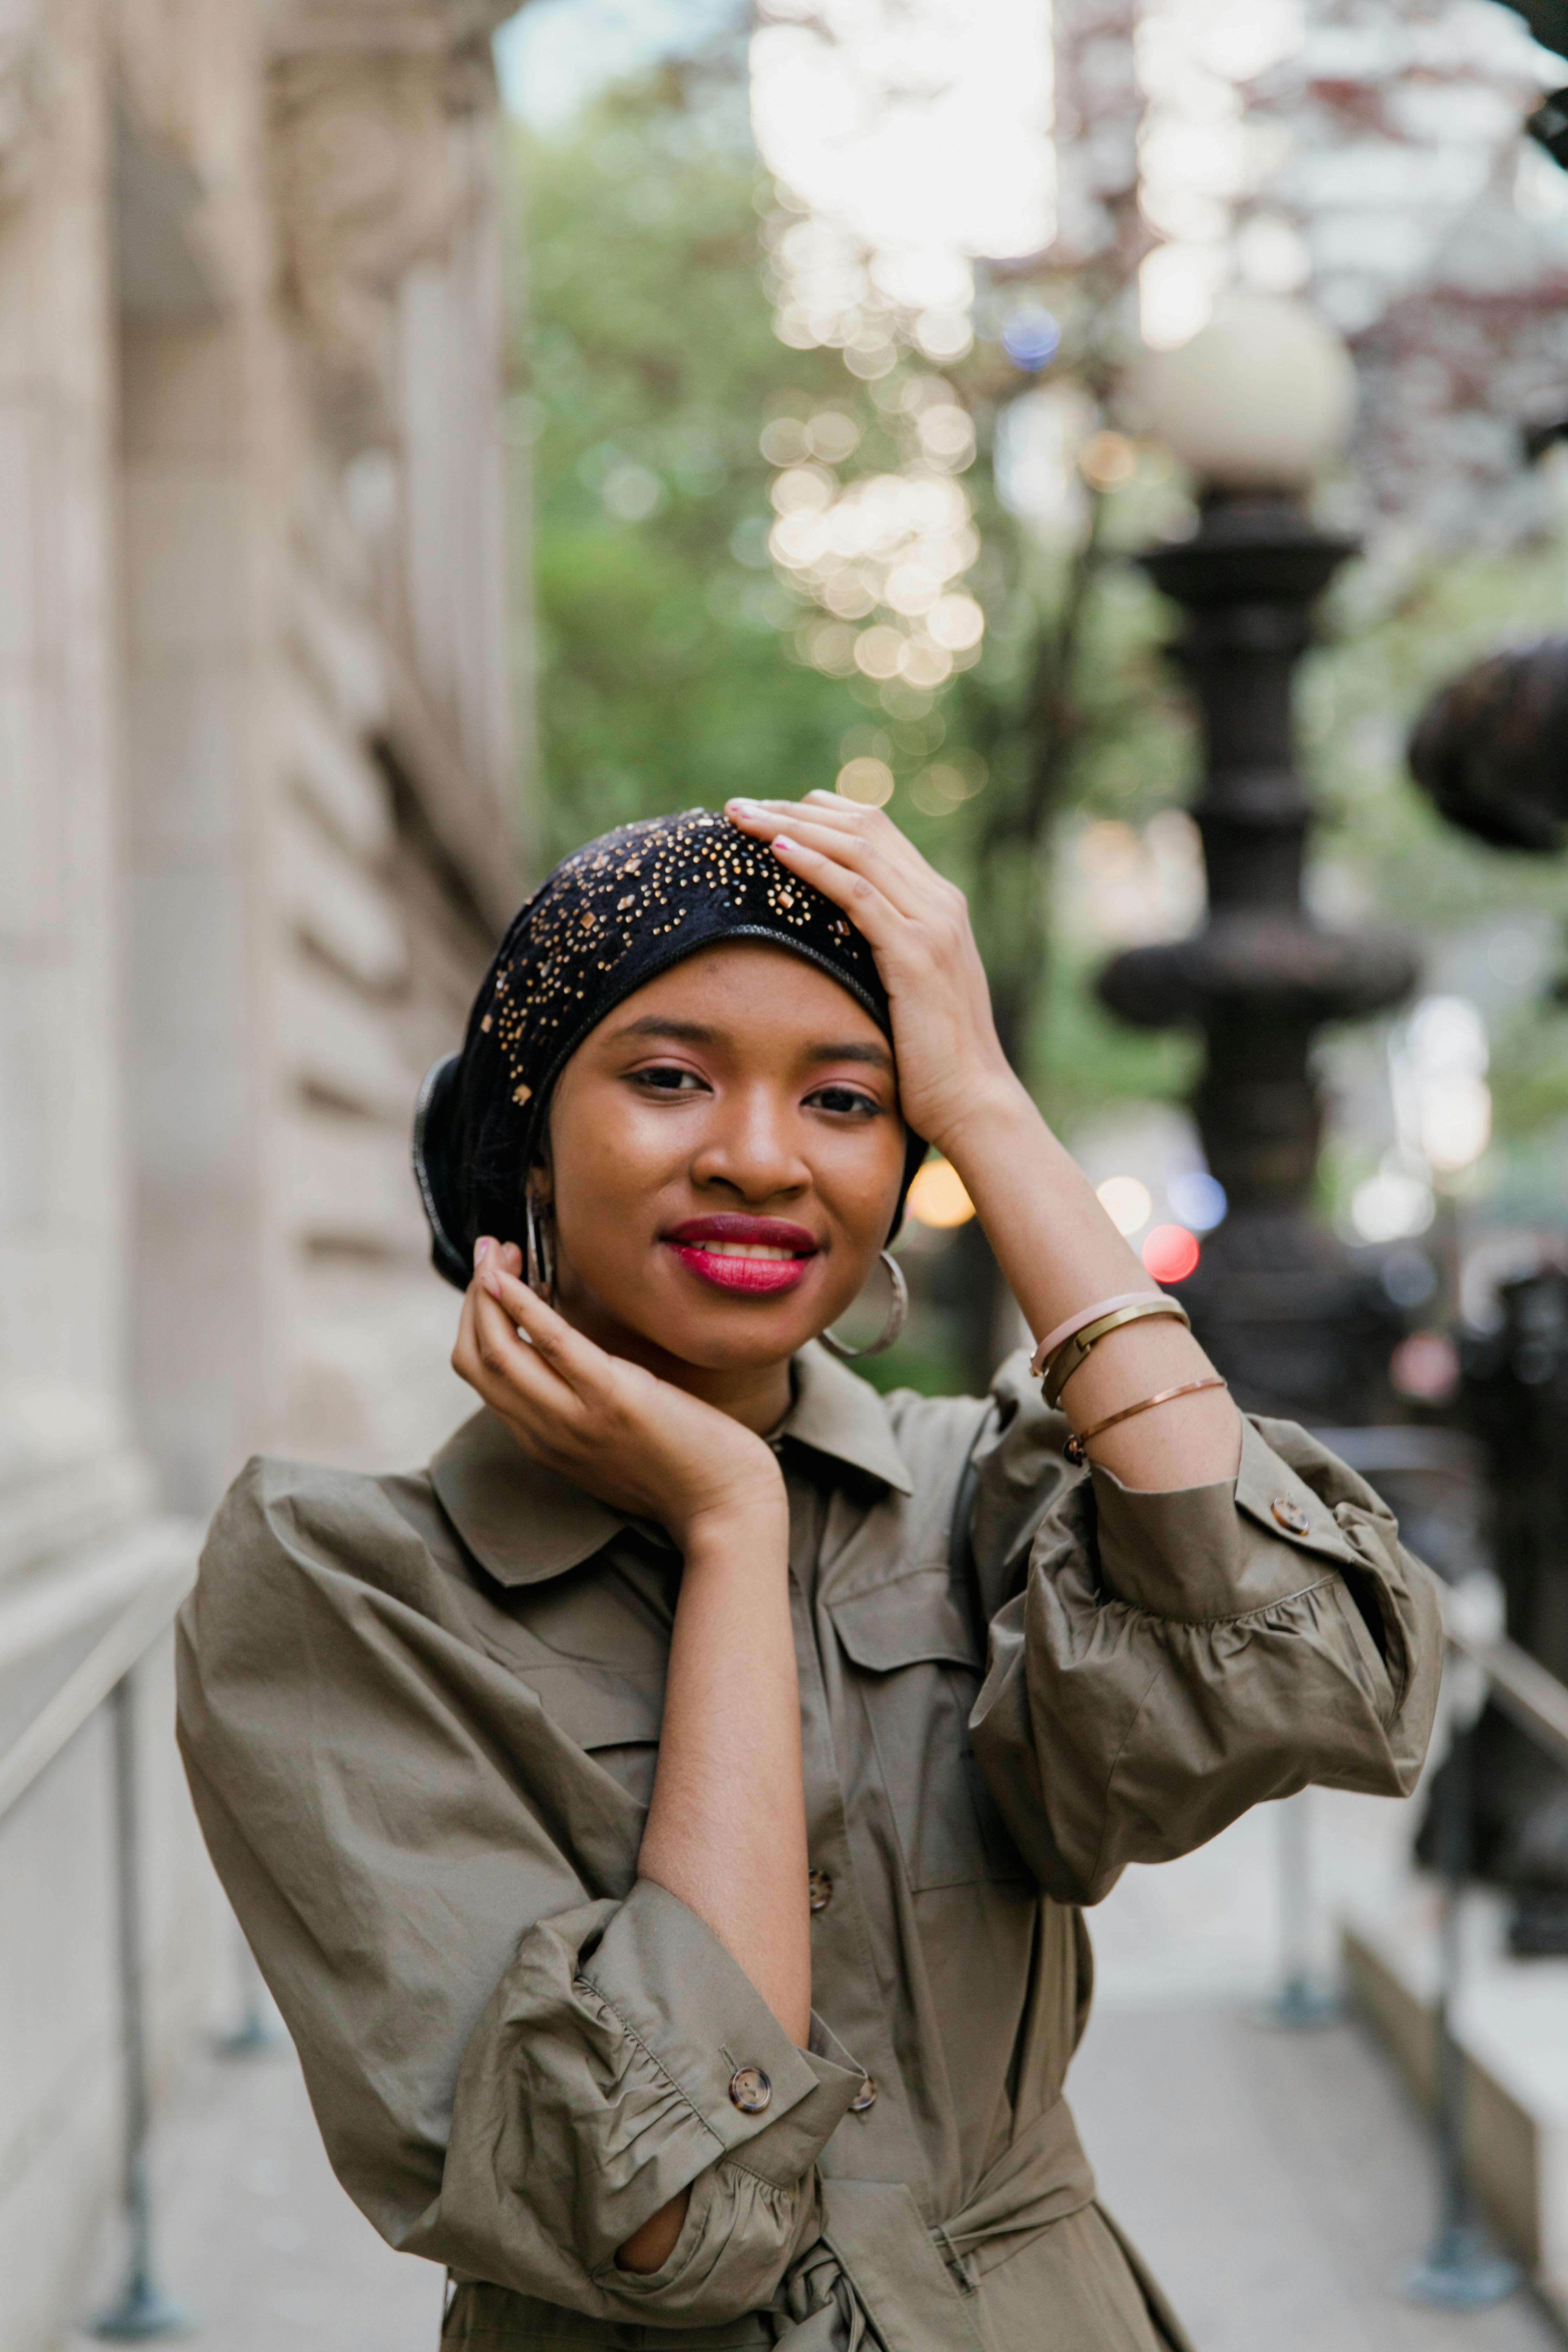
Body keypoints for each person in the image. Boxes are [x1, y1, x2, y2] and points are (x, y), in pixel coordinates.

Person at [177, 797, 1441, 2352]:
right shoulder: (341, 1585)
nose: (763, 1159)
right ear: (525, 1148)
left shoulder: (987, 1490)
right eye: (664, 1078)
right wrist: (728, 1527)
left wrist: (981, 1097)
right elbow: (656, 2216)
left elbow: (1315, 1680)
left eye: (847, 1100)